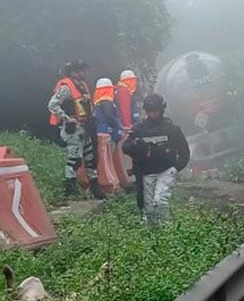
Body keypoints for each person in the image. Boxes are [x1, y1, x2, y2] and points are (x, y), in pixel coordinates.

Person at [122, 94, 190, 225]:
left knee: (160, 201)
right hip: (147, 173)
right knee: (149, 209)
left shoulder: (172, 129)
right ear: (146, 111)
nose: (153, 113)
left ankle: (166, 230)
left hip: (166, 170)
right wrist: (136, 145)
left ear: (162, 109)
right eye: (150, 110)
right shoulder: (139, 129)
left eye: (155, 110)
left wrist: (175, 169)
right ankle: (151, 235)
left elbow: (184, 151)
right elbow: (125, 147)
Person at [47, 60, 106, 199]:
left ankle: (95, 188)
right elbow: (52, 104)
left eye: (83, 70)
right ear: (73, 72)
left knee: (91, 158)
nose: (83, 72)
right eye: (80, 70)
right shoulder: (66, 87)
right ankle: (70, 188)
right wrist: (66, 118)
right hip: (74, 129)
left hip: (86, 126)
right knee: (75, 159)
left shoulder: (83, 86)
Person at [93, 78, 123, 146]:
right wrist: (117, 125)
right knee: (108, 152)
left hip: (100, 129)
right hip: (107, 130)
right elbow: (109, 115)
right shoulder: (106, 101)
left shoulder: (98, 102)